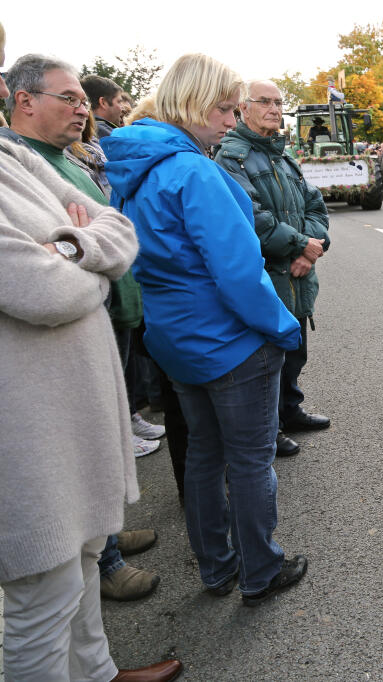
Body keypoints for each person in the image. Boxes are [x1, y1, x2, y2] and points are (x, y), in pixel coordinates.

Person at [0, 27, 181, 681]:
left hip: (61, 414)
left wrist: (76, 242)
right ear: (22, 100)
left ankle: (99, 673)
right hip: (26, 428)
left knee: (74, 569)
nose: (83, 108)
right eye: (69, 96)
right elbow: (38, 286)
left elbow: (112, 226)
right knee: (37, 606)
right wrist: (86, 250)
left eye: (85, 97)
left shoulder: (19, 160)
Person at [102, 53, 309, 606]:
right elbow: (239, 273)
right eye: (223, 108)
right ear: (191, 102)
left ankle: (216, 568)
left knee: (202, 455)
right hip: (228, 339)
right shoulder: (193, 169)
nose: (229, 119)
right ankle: (260, 569)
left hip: (172, 334)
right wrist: (283, 328)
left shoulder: (134, 165)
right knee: (249, 459)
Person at [214, 80, 331, 460]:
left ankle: (290, 410)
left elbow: (316, 207)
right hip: (268, 277)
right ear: (242, 109)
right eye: (264, 101)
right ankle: (272, 427)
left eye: (279, 102)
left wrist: (309, 252)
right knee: (267, 357)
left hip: (298, 273)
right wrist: (299, 245)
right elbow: (252, 218)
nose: (275, 108)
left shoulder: (283, 156)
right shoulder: (232, 158)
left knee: (295, 349)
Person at [81, 74, 125, 138]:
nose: (122, 108)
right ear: (103, 102)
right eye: (119, 102)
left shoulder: (81, 130)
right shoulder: (109, 136)